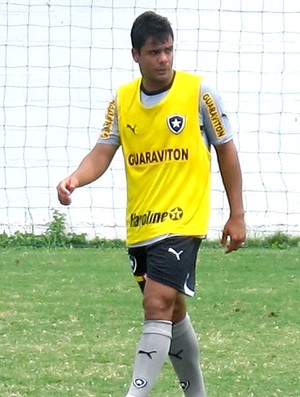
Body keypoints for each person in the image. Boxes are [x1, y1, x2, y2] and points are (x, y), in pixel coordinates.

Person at [57, 10, 246, 397]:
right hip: (142, 222)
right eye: (155, 51)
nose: (164, 58)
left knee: (156, 303)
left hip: (183, 220)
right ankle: (197, 393)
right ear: (135, 55)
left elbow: (227, 151)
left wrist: (236, 214)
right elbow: (103, 150)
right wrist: (76, 177)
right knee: (173, 311)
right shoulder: (123, 100)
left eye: (169, 50)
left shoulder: (198, 93)